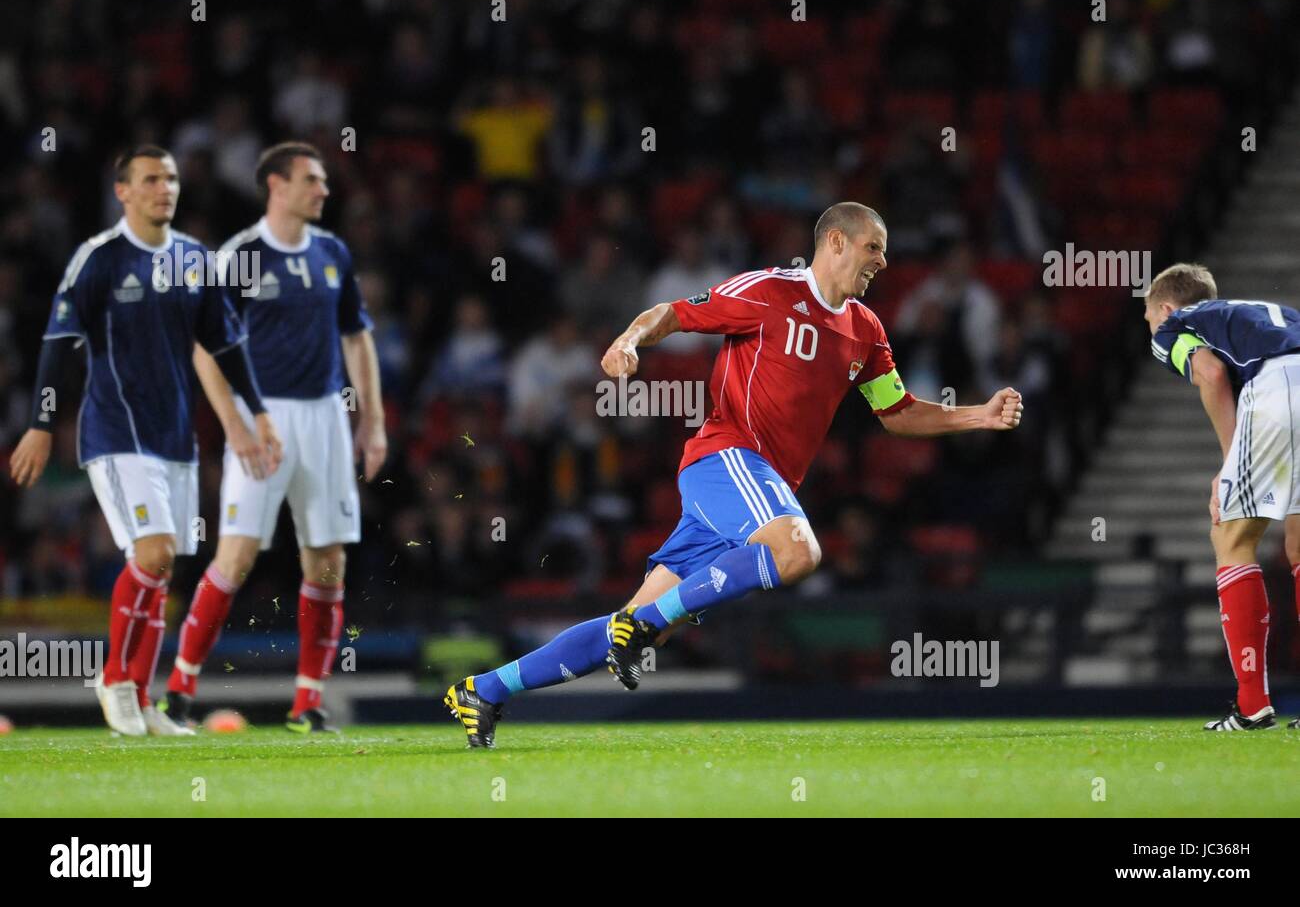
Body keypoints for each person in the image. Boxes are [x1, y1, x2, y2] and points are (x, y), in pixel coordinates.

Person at [444, 202, 1024, 748]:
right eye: (874, 247)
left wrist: (978, 415)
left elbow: (897, 413)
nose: (884, 261)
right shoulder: (770, 291)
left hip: (753, 490)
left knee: (635, 622)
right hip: (727, 458)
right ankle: (641, 628)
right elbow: (674, 313)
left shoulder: (866, 330)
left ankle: (484, 690)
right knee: (798, 551)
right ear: (836, 242)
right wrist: (628, 339)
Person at [8, 144, 279, 737]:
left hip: (175, 437)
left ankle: (141, 695)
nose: (165, 188)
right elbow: (58, 342)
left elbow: (225, 344)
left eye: (171, 178)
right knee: (153, 554)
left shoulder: (195, 260)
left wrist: (257, 411)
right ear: (123, 192)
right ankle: (114, 678)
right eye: (151, 179)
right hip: (115, 431)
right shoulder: (99, 259)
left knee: (163, 570)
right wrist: (40, 424)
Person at [159, 142, 385, 734]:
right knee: (236, 556)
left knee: (328, 560)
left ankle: (307, 702)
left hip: (325, 418)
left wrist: (372, 420)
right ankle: (179, 689)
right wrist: (234, 424)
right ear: (277, 186)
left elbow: (357, 337)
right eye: (312, 180)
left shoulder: (333, 252)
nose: (324, 190)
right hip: (263, 419)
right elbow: (205, 347)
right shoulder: (242, 255)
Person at [1145, 263, 1300, 730]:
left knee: (1231, 539)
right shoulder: (1263, 313)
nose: (1151, 325)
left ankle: (1252, 705)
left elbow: (1210, 374)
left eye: (1148, 316)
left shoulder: (1173, 327)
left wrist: (1230, 462)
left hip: (1278, 389)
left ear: (1165, 307)